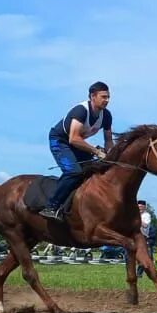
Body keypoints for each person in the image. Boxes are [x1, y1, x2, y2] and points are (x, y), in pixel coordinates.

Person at [36, 82, 113, 219]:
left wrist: (111, 156)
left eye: (108, 97)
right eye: (103, 97)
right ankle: (51, 207)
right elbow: (73, 139)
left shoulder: (106, 116)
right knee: (73, 172)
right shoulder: (81, 111)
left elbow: (108, 140)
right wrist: (96, 152)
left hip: (77, 143)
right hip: (61, 141)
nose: (107, 100)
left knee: (94, 169)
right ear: (92, 96)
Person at [135, 200, 157, 278]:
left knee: (148, 257)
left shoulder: (146, 215)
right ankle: (138, 273)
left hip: (144, 238)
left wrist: (137, 219)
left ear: (145, 207)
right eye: (138, 207)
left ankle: (147, 272)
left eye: (141, 207)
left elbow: (145, 225)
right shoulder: (134, 214)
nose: (140, 208)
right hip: (134, 237)